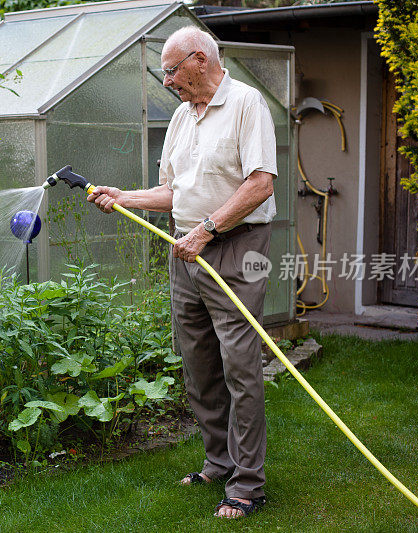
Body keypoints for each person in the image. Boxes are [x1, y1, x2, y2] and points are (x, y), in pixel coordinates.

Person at [87, 26, 277, 519]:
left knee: (240, 364)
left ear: (199, 59)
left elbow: (260, 185)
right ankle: (219, 461)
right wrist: (123, 197)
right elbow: (173, 191)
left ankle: (248, 484)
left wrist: (207, 231)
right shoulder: (180, 116)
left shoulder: (246, 104)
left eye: (171, 70)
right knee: (197, 363)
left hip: (235, 246)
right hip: (185, 248)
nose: (167, 80)